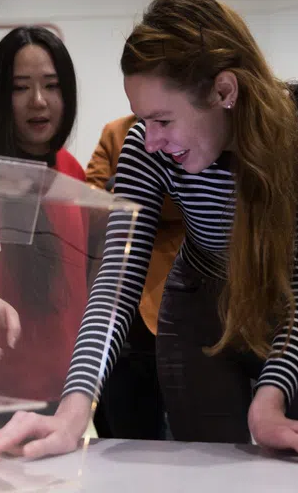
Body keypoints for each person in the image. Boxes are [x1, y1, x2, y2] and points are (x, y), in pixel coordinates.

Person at [0, 0, 298, 464]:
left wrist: (270, 400)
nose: (151, 142)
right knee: (211, 471)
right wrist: (72, 410)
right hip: (198, 310)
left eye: (163, 119)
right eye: (143, 121)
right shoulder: (149, 147)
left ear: (225, 91)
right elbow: (117, 279)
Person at [0, 26, 87, 428]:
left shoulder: (71, 171)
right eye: (20, 87)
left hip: (62, 394)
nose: (38, 101)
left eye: (51, 85)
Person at [86, 115, 184, 440]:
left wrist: (133, 195)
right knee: (124, 435)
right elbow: (91, 199)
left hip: (183, 297)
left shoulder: (197, 129)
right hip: (126, 306)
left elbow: (196, 198)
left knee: (199, 438)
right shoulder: (116, 132)